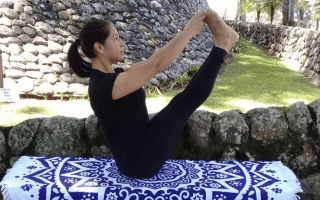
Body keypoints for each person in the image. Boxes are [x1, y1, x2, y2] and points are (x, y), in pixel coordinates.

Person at [67, 8, 239, 179]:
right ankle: (223, 44)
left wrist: (187, 32)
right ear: (99, 47)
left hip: (142, 146)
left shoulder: (113, 76)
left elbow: (152, 61)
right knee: (184, 103)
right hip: (138, 164)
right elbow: (157, 65)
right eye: (116, 38)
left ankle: (223, 42)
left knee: (179, 102)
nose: (122, 43)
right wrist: (188, 32)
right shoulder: (104, 87)